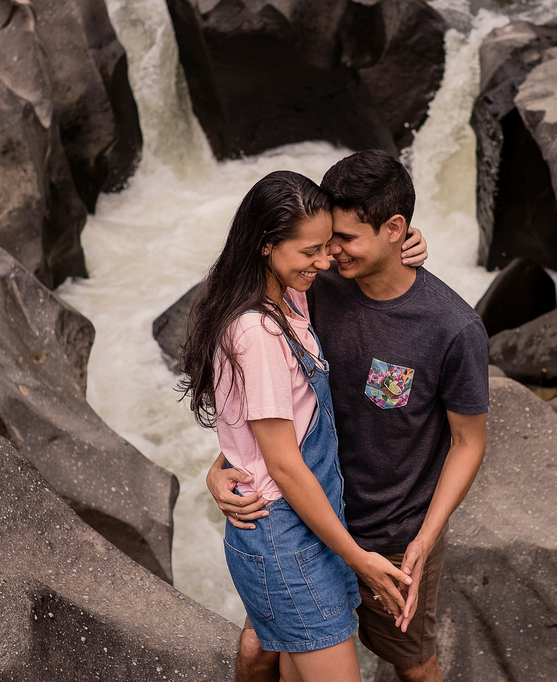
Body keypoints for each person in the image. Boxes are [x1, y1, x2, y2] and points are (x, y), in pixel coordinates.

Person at [207, 151, 490, 682]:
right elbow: (268, 392)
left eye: (346, 239)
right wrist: (221, 465)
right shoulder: (313, 284)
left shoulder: (452, 328)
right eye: (325, 240)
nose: (331, 253)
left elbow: (468, 442)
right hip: (305, 522)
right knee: (255, 652)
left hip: (394, 534)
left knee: (414, 665)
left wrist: (425, 539)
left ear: (396, 230)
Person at [180, 170, 422, 682]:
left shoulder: (290, 295)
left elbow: (250, 426)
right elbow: (285, 466)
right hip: (285, 540)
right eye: (310, 251)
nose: (325, 261)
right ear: (267, 246)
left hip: (307, 530)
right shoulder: (258, 333)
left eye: (329, 246)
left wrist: (410, 246)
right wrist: (361, 559)